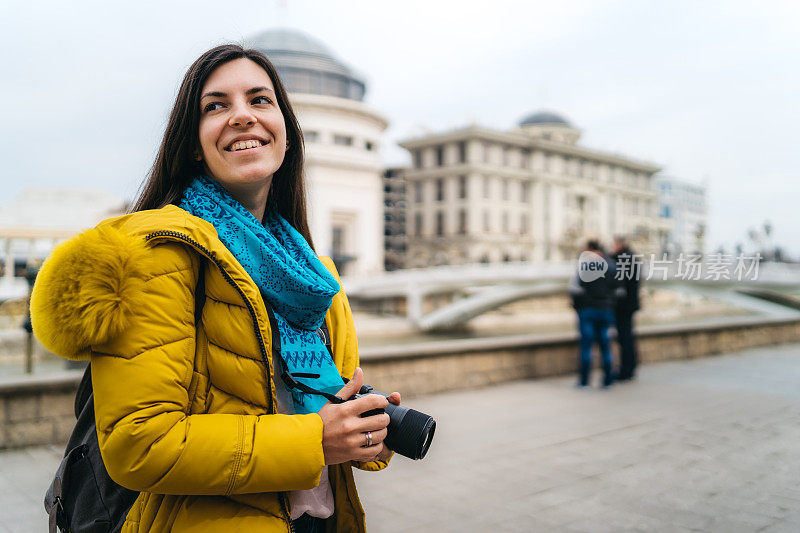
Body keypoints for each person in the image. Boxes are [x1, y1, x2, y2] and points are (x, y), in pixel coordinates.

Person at [30, 44, 400, 533]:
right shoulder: (157, 252)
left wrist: (362, 432)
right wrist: (314, 440)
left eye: (260, 100)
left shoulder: (316, 279)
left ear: (285, 134)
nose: (242, 116)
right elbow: (140, 445)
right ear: (191, 142)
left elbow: (323, 417)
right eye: (216, 105)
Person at [569, 240, 618, 388]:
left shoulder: (585, 266)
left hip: (588, 309)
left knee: (586, 347)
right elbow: (616, 289)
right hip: (605, 310)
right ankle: (607, 379)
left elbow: (577, 288)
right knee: (605, 346)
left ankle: (584, 381)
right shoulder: (611, 266)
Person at [611, 236, 641, 381]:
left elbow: (618, 281)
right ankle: (630, 367)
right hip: (630, 304)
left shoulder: (622, 259)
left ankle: (626, 370)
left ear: (619, 244)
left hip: (623, 305)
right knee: (628, 337)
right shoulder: (633, 257)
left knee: (625, 338)